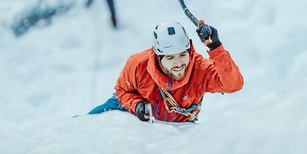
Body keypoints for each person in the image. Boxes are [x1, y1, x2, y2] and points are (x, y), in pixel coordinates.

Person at [88, 22, 244, 122]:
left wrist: (215, 47)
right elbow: (122, 91)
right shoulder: (138, 65)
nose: (178, 64)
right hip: (128, 107)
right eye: (170, 58)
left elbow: (233, 84)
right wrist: (136, 105)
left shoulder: (199, 68)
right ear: (158, 57)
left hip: (177, 124)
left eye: (183, 55)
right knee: (85, 125)